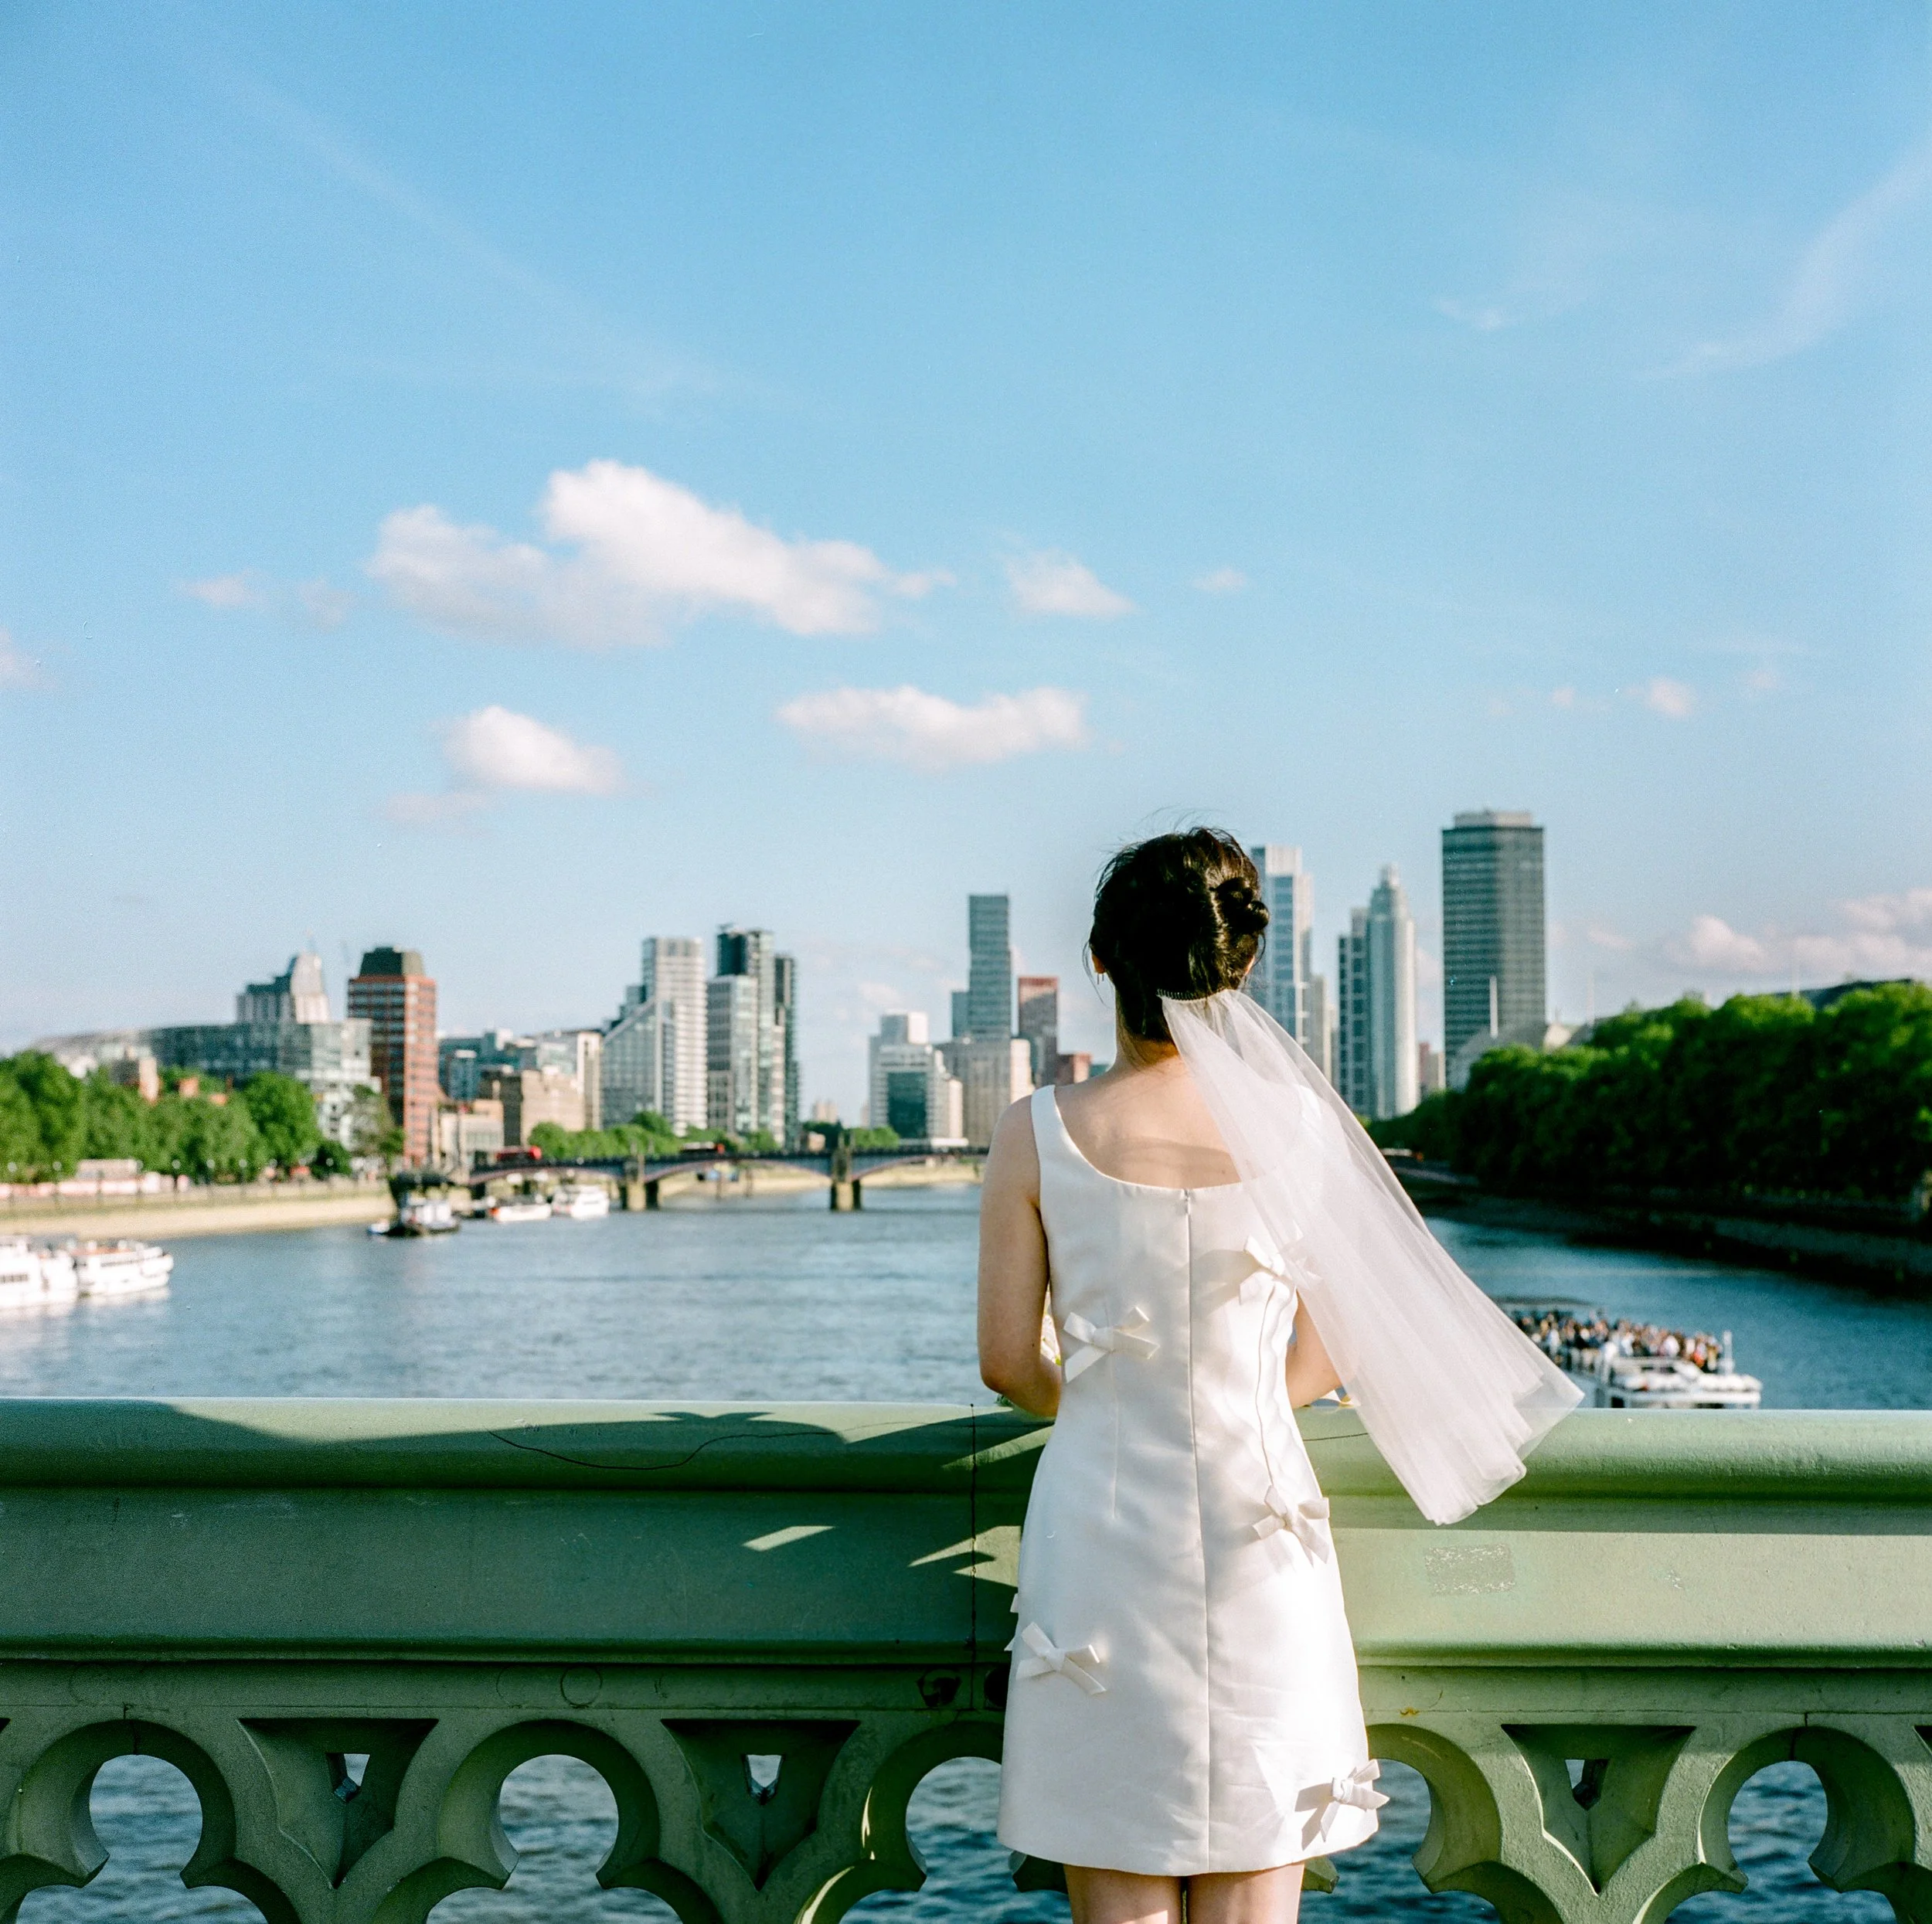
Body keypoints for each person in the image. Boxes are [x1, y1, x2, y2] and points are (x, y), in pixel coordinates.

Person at [978, 829, 1580, 1924]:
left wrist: (1110, 1398)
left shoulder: (1036, 1134)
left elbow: (1006, 1361)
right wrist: (1243, 1389)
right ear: (1239, 966)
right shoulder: (1302, 1130)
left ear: (1104, 962)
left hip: (1100, 1542)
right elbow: (1340, 1344)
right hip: (1263, 1528)